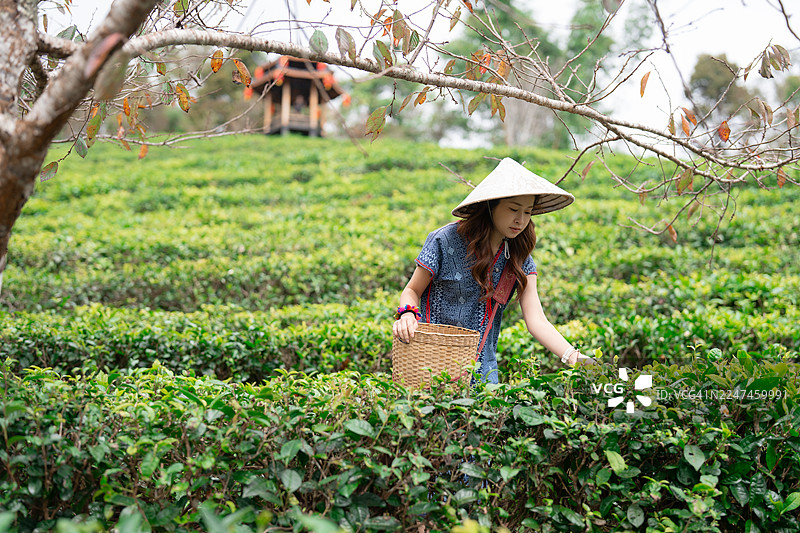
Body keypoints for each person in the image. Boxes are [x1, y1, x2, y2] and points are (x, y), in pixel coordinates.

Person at [392, 158, 593, 384]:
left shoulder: (519, 258)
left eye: (528, 212)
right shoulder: (444, 240)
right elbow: (412, 290)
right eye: (513, 209)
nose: (521, 220)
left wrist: (574, 357)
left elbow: (537, 320)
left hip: (483, 376)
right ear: (491, 205)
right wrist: (408, 313)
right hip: (430, 366)